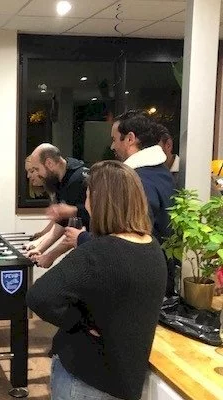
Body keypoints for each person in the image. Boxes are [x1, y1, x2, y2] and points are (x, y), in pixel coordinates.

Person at [27, 160, 167, 400]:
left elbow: (38, 296)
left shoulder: (98, 252)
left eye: (88, 195)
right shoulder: (152, 248)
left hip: (85, 377)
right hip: (126, 379)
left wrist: (79, 321)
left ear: (98, 201)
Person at [64, 111, 176, 296]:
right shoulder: (162, 173)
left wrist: (82, 239)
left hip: (142, 284)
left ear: (130, 138)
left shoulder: (136, 181)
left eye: (115, 139)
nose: (112, 146)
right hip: (160, 275)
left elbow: (130, 244)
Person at [25, 143, 89, 269]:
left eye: (37, 169)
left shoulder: (79, 179)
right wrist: (39, 249)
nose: (37, 174)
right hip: (83, 248)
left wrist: (50, 256)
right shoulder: (60, 181)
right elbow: (61, 224)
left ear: (49, 163)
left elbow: (81, 227)